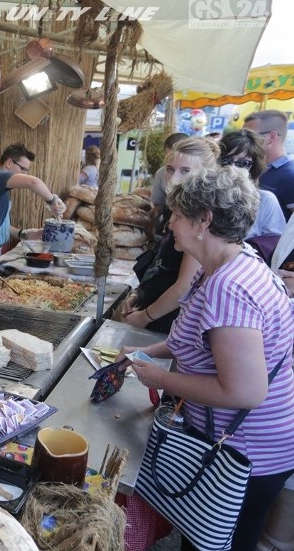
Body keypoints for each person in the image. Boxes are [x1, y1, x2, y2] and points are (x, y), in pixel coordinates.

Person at [118, 165, 294, 551]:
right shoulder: (229, 264)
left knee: (220, 544)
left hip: (247, 451)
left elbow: (245, 391)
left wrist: (159, 378)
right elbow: (201, 340)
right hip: (245, 443)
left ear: (205, 220)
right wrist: (148, 351)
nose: (171, 225)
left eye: (179, 215)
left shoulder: (229, 288)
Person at [121, 137, 217, 333]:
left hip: (170, 324)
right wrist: (140, 294)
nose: (173, 178)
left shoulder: (200, 221)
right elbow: (162, 265)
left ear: (206, 174)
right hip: (153, 313)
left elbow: (184, 286)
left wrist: (145, 316)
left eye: (185, 171)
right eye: (170, 169)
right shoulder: (176, 210)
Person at [0, 142, 66, 289]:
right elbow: (33, 182)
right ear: (9, 162)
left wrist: (24, 234)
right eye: (23, 169)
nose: (24, 174)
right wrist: (52, 201)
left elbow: (0, 224)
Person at [217, 129, 285, 241]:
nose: (232, 167)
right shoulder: (206, 196)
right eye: (226, 161)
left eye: (243, 163)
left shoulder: (266, 200)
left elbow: (274, 244)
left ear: (253, 167)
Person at [244, 109, 294, 220]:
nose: (243, 141)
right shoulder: (254, 166)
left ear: (271, 138)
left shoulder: (290, 175)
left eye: (249, 136)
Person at [149, 132, 189, 225]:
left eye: (185, 171)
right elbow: (157, 204)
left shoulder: (203, 175)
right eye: (169, 156)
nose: (174, 178)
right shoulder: (161, 173)